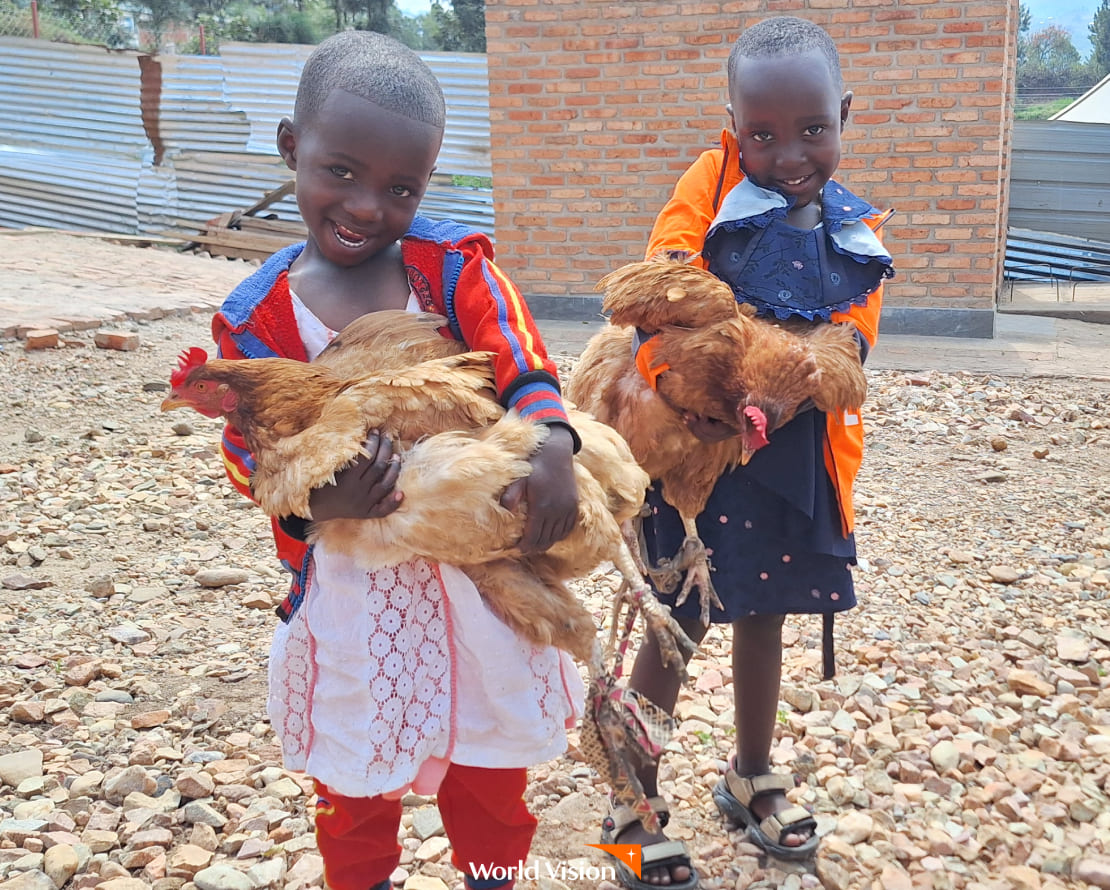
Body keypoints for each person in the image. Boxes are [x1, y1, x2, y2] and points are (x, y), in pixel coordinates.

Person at [210, 31, 583, 890]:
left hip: (475, 579)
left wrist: (549, 439)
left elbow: (521, 353)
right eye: (340, 172)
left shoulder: (449, 269)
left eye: (401, 188)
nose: (368, 205)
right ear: (290, 148)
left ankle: (492, 876)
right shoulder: (256, 318)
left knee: (490, 771)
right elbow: (244, 449)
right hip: (351, 590)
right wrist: (314, 504)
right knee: (353, 776)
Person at [601, 16, 894, 888]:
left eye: (812, 130)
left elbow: (856, 332)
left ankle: (751, 771)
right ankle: (632, 802)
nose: (789, 153)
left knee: (764, 607)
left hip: (786, 445)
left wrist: (810, 377)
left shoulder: (855, 226)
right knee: (676, 611)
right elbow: (663, 282)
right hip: (692, 446)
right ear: (734, 128)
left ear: (843, 116)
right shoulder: (710, 183)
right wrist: (682, 378)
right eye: (762, 134)